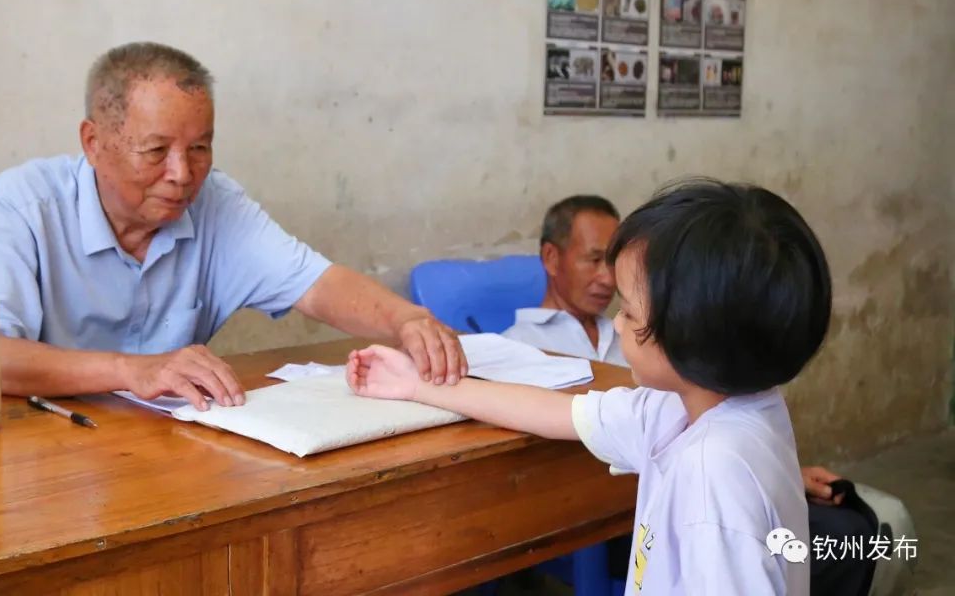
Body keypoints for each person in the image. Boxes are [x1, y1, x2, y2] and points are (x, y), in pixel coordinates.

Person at [348, 179, 832, 594]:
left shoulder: (713, 480)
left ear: (691, 332)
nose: (618, 323)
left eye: (631, 312)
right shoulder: (689, 409)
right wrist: (417, 386)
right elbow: (559, 411)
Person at [0, 42, 465, 411]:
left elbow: (316, 285)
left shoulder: (216, 202)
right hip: (47, 450)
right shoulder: (22, 206)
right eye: (156, 151)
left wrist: (406, 319)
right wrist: (133, 371)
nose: (182, 174)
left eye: (200, 148)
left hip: (169, 450)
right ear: (93, 143)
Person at [502, 195, 626, 367]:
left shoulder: (630, 338)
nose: (609, 279)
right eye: (594, 260)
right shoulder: (516, 346)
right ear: (551, 258)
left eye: (613, 262)